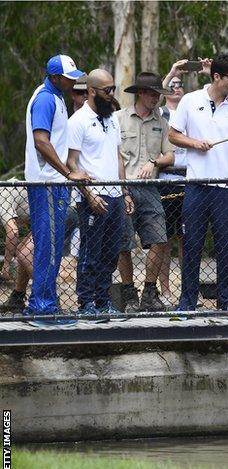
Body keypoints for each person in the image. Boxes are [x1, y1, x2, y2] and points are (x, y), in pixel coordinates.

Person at [168, 54, 228, 312]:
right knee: (191, 244)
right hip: (196, 185)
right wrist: (195, 143)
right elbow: (173, 135)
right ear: (216, 76)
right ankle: (187, 301)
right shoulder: (190, 101)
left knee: (226, 245)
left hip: (226, 187)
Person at [24, 54, 91, 326]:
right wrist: (68, 172)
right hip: (48, 182)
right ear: (54, 77)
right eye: (68, 77)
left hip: (55, 182)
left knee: (50, 245)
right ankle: (43, 308)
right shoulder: (44, 99)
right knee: (49, 247)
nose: (72, 82)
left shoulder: (57, 98)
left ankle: (43, 305)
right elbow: (42, 141)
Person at [67, 69, 134, 317]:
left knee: (110, 253)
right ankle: (85, 303)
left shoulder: (112, 119)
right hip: (93, 197)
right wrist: (89, 195)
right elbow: (71, 163)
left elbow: (118, 157)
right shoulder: (78, 121)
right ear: (92, 91)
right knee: (90, 252)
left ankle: (103, 301)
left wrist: (125, 191)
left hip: (115, 196)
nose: (111, 94)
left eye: (113, 89)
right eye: (107, 90)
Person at [116, 72, 174, 312]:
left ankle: (150, 292)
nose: (156, 98)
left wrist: (156, 162)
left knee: (160, 239)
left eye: (158, 94)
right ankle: (129, 294)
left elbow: (170, 155)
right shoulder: (117, 119)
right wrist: (123, 190)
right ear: (140, 93)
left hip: (150, 188)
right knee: (123, 244)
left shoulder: (161, 122)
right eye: (152, 93)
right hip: (124, 187)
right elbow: (114, 156)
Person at [158, 60, 191, 306]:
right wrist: (171, 73)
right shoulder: (161, 114)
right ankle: (165, 288)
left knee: (186, 238)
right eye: (172, 84)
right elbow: (155, 94)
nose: (176, 88)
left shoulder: (191, 109)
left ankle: (187, 288)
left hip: (188, 179)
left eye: (180, 85)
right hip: (166, 180)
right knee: (166, 238)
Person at [0, 181, 29, 282]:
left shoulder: (1, 201)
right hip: (43, 220)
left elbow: (13, 231)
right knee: (22, 252)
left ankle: (44, 292)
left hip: (54, 217)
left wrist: (6, 265)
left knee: (24, 254)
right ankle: (19, 293)